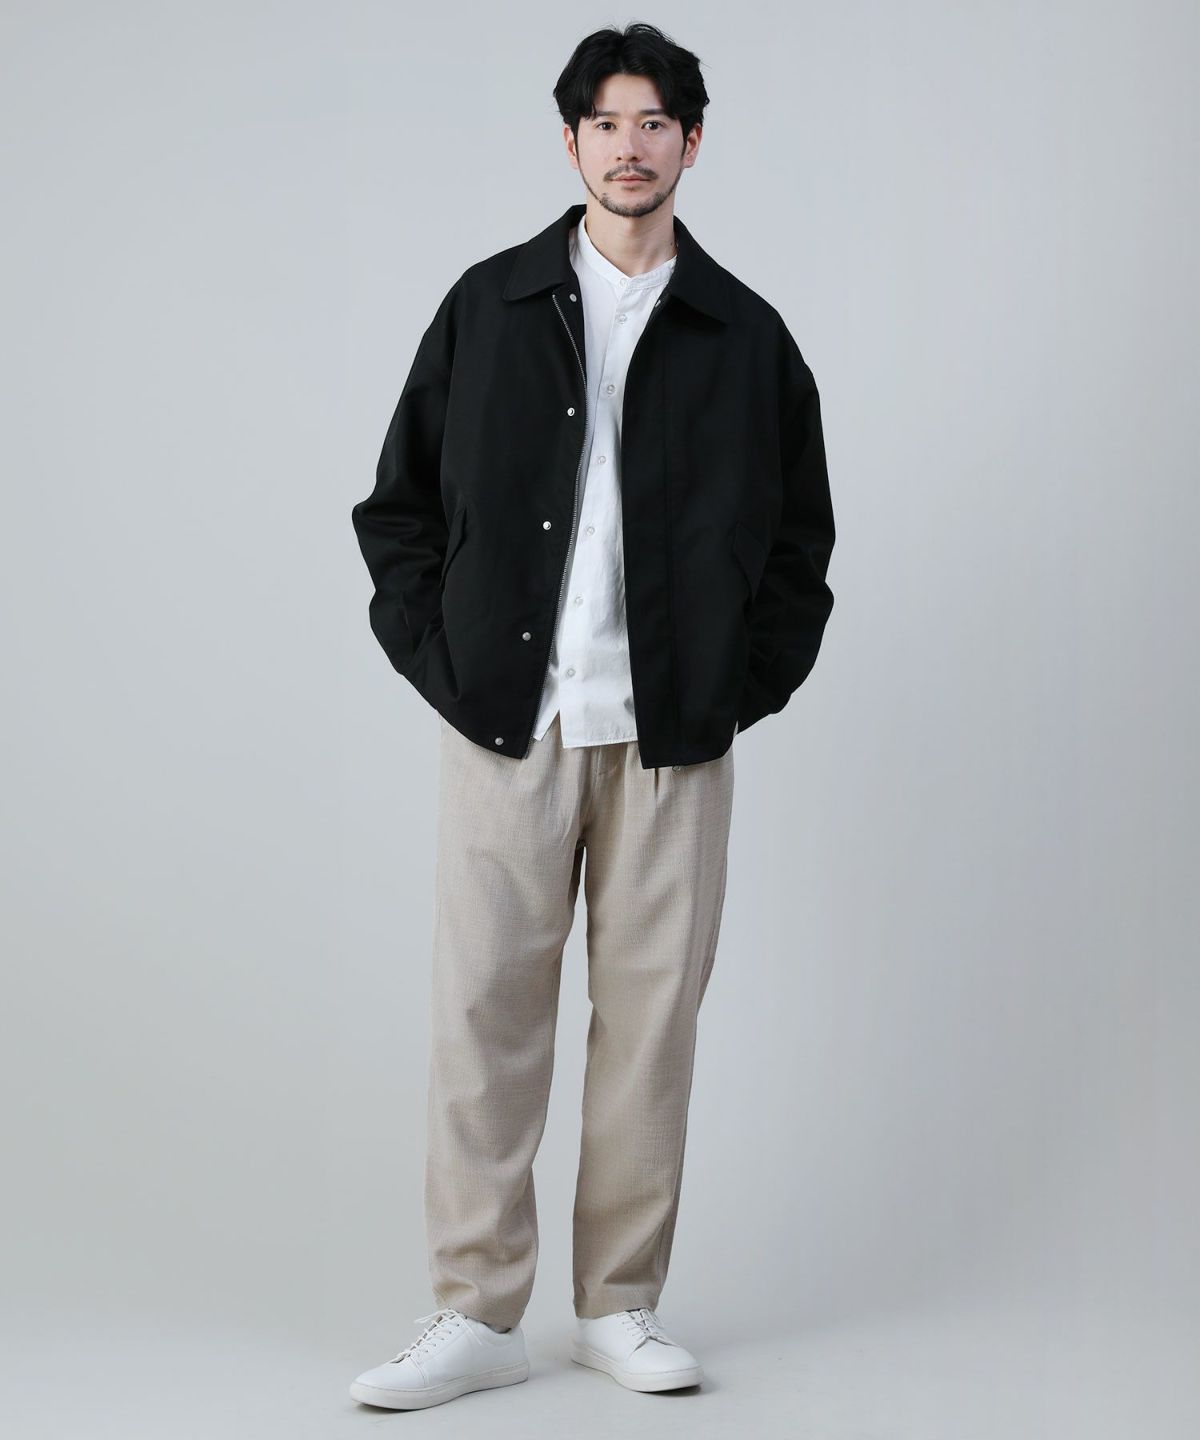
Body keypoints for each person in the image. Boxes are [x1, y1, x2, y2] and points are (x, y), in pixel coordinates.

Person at [347, 21, 835, 1411]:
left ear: (692, 142)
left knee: (650, 1027)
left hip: (672, 740)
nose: (631, 146)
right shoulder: (489, 307)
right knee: (482, 1019)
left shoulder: (746, 335)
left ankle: (619, 1304)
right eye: (607, 123)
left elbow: (801, 546)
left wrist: (735, 688)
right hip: (510, 723)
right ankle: (475, 1311)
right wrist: (444, 663)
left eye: (654, 122)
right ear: (570, 143)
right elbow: (398, 511)